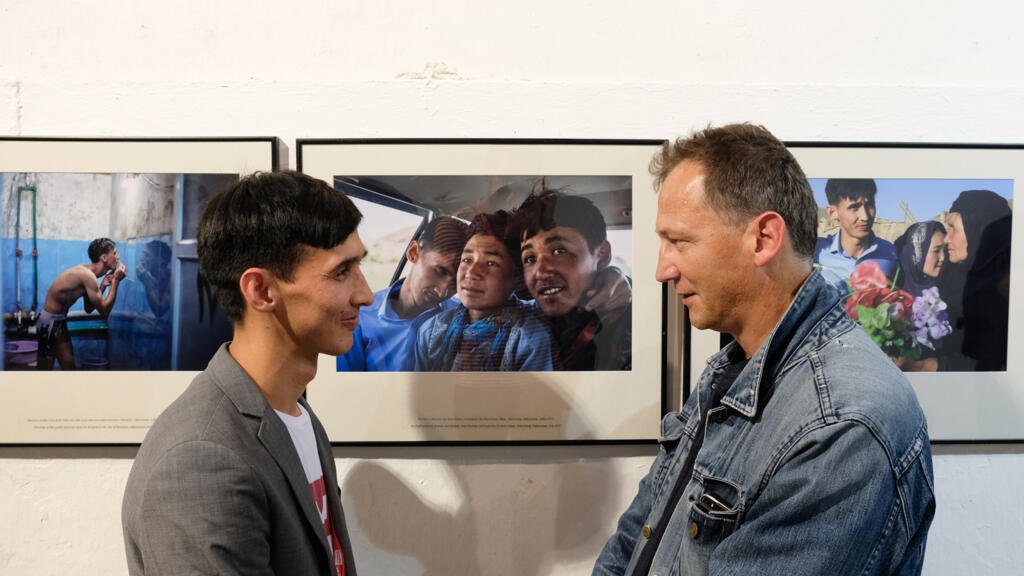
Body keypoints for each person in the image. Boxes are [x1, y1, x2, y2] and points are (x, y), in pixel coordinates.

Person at [594, 124, 934, 575]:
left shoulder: (844, 424)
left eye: (679, 241)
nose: (661, 269)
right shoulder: (733, 371)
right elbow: (637, 541)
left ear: (763, 239)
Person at [122, 171, 373, 576]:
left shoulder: (295, 413)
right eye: (342, 272)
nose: (365, 294)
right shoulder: (201, 460)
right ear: (261, 291)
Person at [511, 185, 631, 370]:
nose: (540, 272)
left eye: (559, 251)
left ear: (602, 255)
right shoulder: (519, 325)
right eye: (530, 258)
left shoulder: (630, 327)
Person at [415, 211, 553, 371]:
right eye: (467, 260)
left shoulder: (529, 341)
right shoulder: (431, 331)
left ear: (515, 276)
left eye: (491, 263)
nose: (471, 273)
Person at [337, 215, 469, 371]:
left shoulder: (463, 319)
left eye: (457, 280)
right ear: (413, 253)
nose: (444, 291)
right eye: (439, 272)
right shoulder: (358, 317)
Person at [940, 189, 1012, 371]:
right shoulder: (954, 281)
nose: (946, 239)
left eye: (953, 228)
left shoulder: (1007, 292)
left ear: (977, 228)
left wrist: (929, 367)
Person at [36, 237, 127, 370]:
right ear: (104, 258)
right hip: (49, 323)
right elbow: (104, 311)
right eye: (114, 253)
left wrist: (103, 286)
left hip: (58, 321)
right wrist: (116, 282)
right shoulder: (87, 276)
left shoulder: (90, 276)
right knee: (44, 369)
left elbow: (89, 308)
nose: (118, 257)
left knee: (69, 366)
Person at [814, 178, 898, 293]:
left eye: (870, 205)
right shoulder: (816, 252)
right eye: (854, 207)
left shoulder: (891, 253)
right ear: (832, 213)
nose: (865, 217)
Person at [891, 221, 948, 372]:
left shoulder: (950, 290)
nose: (943, 257)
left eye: (945, 250)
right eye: (936, 251)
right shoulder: (893, 296)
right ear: (917, 254)